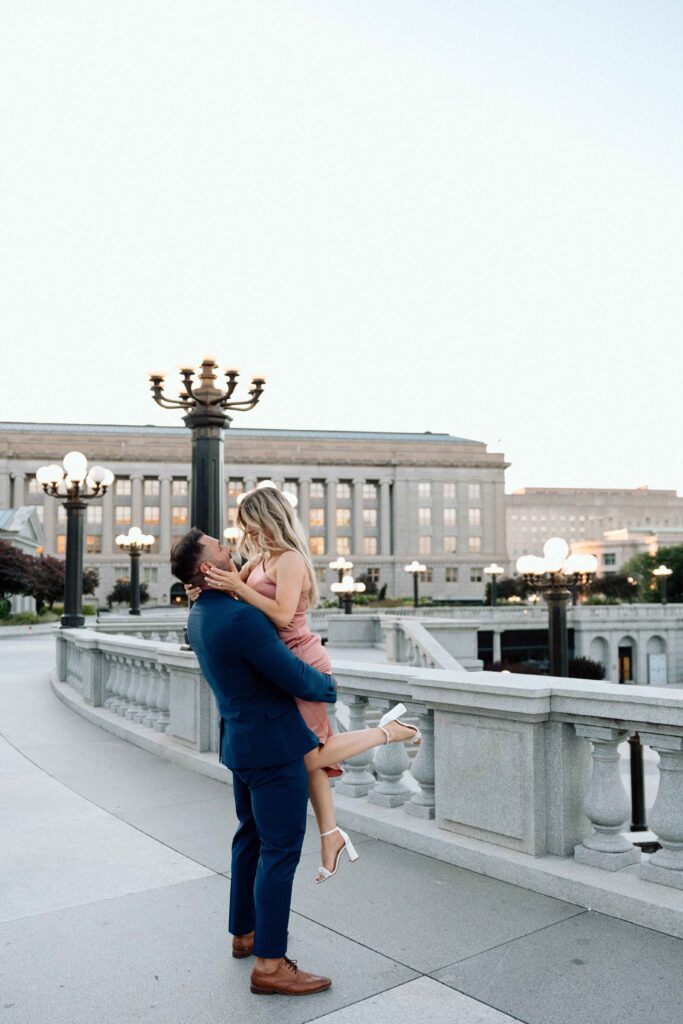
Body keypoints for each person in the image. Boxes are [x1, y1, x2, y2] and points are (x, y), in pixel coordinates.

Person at [186, 483, 420, 882]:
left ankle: (390, 732)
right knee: (305, 750)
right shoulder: (258, 561)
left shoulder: (290, 560)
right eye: (245, 527)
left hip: (304, 661)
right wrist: (202, 590)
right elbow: (234, 599)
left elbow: (279, 615)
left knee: (310, 754)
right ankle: (330, 836)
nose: (249, 534)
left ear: (270, 519)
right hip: (277, 665)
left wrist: (239, 587)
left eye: (253, 525)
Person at [171, 528, 335, 995]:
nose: (230, 549)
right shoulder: (242, 619)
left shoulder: (201, 613)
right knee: (279, 852)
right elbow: (294, 678)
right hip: (273, 746)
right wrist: (329, 687)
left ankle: (243, 934)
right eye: (220, 548)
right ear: (207, 567)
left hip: (240, 743)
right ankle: (270, 964)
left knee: (249, 839)